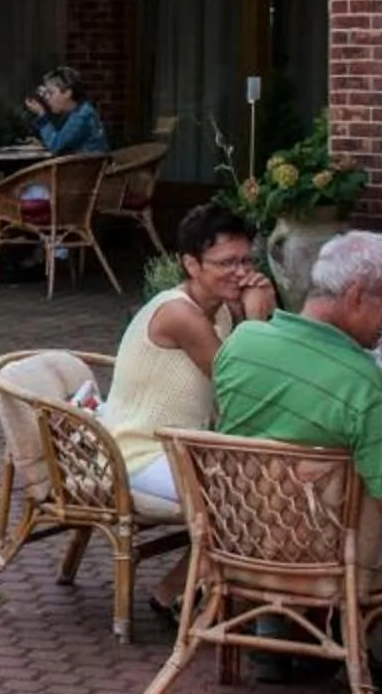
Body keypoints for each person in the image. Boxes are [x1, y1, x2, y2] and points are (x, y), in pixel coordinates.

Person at [212, 229, 382, 576]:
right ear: (356, 296)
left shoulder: (240, 344)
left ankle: (274, 619)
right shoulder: (367, 386)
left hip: (239, 542)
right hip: (330, 562)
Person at [102, 205, 278, 510]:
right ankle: (209, 560)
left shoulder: (222, 310)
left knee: (280, 484)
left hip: (187, 448)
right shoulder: (180, 314)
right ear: (192, 265)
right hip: (139, 454)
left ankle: (210, 559)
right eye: (227, 263)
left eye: (246, 260)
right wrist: (257, 319)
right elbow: (243, 390)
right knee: (254, 500)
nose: (242, 272)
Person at [22, 67, 108, 157]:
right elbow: (65, 141)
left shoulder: (82, 115)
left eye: (51, 93)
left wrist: (42, 114)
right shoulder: (79, 111)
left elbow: (56, 146)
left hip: (85, 169)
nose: (47, 98)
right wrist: (44, 143)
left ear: (67, 92)